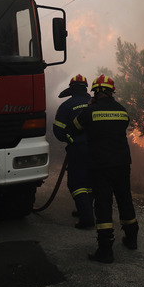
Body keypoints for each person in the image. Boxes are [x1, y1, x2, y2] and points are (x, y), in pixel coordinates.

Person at [69, 74, 138, 263]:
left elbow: (74, 127)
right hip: (122, 163)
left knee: (103, 204)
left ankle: (105, 251)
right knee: (125, 199)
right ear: (111, 92)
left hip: (100, 165)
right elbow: (124, 125)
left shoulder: (90, 111)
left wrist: (89, 108)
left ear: (96, 92)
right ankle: (131, 239)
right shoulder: (122, 111)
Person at [52, 74, 95, 229]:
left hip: (78, 150)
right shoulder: (94, 104)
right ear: (86, 88)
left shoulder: (66, 106)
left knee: (77, 183)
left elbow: (58, 130)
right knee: (90, 181)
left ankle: (86, 218)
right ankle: (86, 209)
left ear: (71, 89)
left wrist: (69, 139)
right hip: (97, 149)